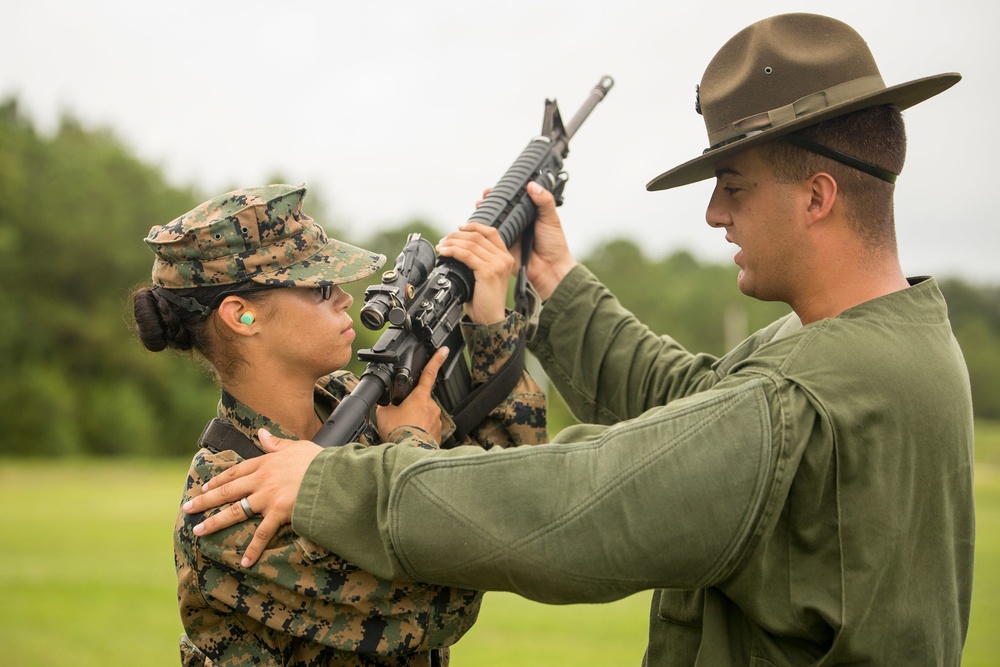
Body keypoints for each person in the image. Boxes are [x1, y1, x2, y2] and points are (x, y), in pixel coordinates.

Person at [182, 14, 975, 665]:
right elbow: (689, 402)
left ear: (818, 195)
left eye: (733, 187)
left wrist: (336, 481)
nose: (714, 215)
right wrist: (553, 281)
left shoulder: (803, 392)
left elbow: (572, 503)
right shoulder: (886, 346)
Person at [132, 183, 547, 666]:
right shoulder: (228, 503)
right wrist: (411, 445)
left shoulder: (358, 403)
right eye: (321, 288)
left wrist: (492, 316)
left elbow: (517, 488)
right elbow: (440, 600)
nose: (345, 299)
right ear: (241, 315)